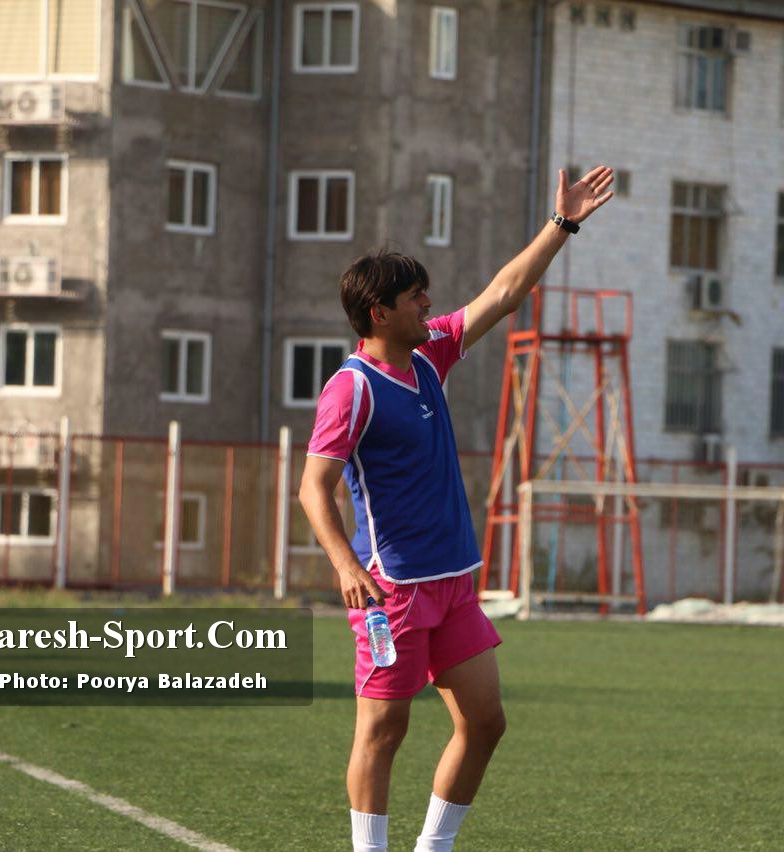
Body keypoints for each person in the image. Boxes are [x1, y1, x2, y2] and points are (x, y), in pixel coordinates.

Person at [299, 166, 614, 851]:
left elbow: (504, 292)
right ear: (379, 314)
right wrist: (346, 565)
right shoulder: (351, 390)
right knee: (383, 731)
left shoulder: (431, 354)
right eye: (415, 297)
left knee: (485, 722)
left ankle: (433, 848)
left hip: (453, 583)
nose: (428, 304)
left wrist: (562, 224)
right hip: (393, 591)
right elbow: (313, 488)